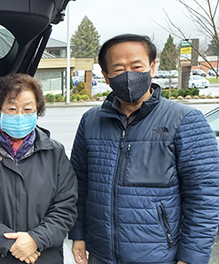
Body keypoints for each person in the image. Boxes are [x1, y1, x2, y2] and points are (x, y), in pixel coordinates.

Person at [69, 34, 219, 264]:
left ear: (152, 66)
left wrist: (191, 258)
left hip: (160, 256)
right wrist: (78, 235)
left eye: (137, 66)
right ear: (106, 76)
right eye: (118, 69)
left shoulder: (185, 120)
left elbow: (205, 196)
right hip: (101, 255)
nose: (129, 75)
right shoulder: (91, 121)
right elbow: (80, 183)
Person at [0, 73, 78, 264]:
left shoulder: (55, 152)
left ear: (37, 112)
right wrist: (10, 244)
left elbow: (66, 206)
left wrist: (36, 239)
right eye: (12, 108)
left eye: (28, 109)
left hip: (43, 256)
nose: (20, 115)